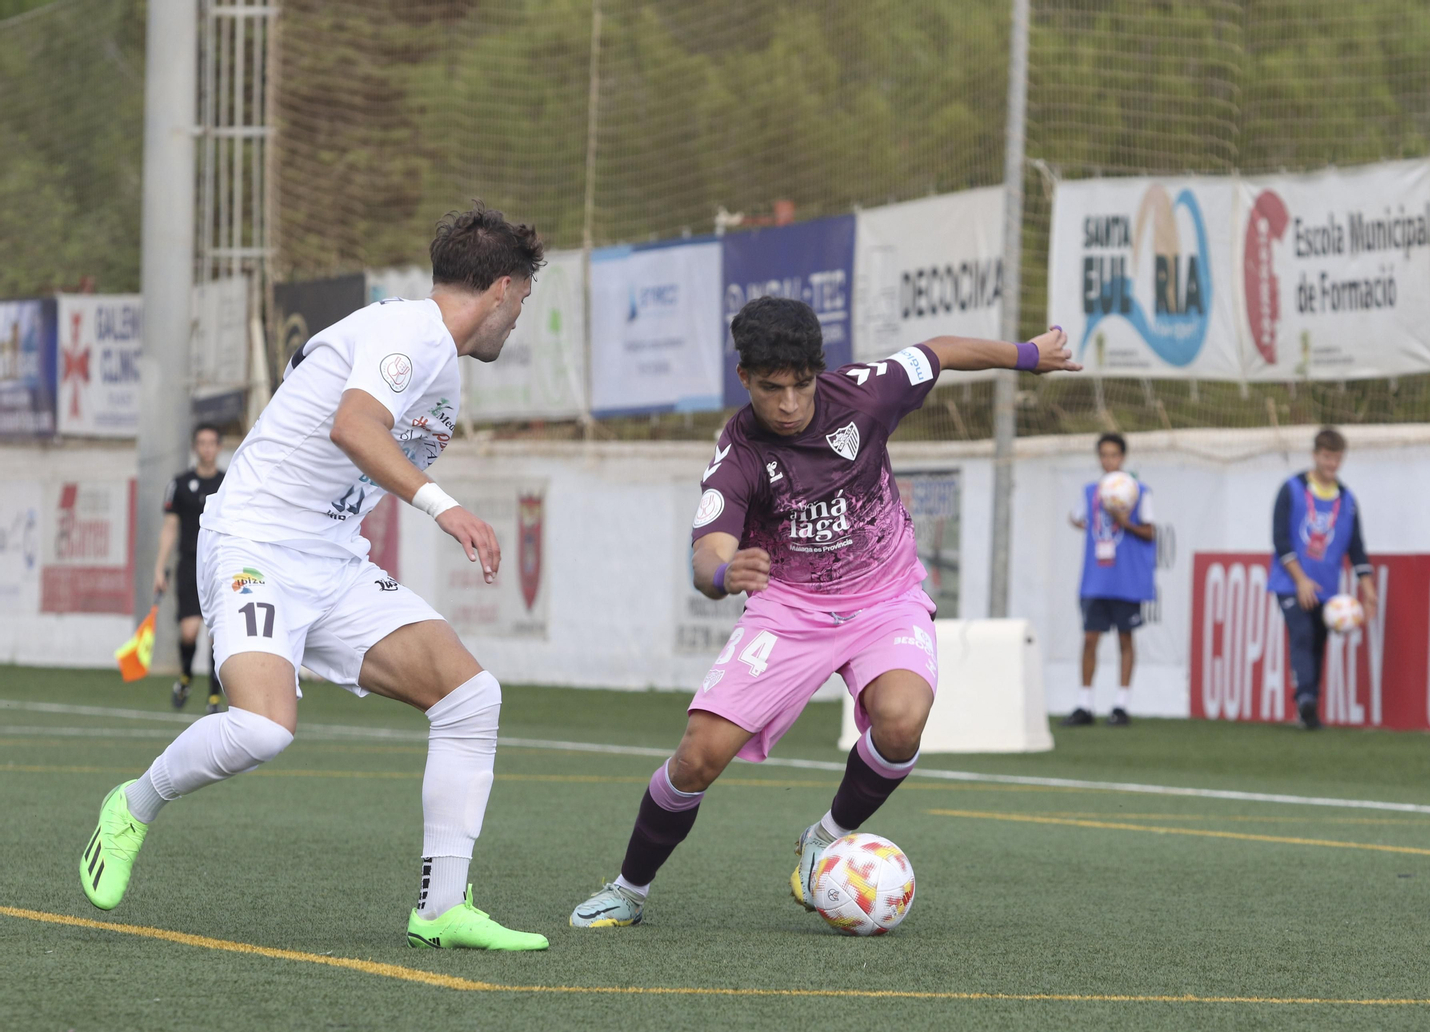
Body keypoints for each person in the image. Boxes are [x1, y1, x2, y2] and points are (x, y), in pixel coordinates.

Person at [77, 203, 550, 951]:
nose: (519, 314)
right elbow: (353, 427)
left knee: (469, 698)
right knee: (262, 729)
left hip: (330, 560)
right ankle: (133, 805)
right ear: (501, 288)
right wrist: (445, 507)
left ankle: (441, 908)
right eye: (523, 295)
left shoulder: (434, 363)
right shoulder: (412, 333)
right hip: (255, 543)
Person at [569, 296, 1080, 928]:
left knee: (902, 723)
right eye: (770, 388)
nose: (788, 404)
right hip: (790, 610)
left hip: (887, 599)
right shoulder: (739, 455)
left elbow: (941, 351)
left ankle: (825, 836)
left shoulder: (867, 393)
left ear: (820, 370)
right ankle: (629, 890)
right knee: (699, 755)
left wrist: (1028, 355)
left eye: (802, 385)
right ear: (744, 378)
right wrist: (725, 574)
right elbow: (707, 555)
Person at [1267, 427, 1377, 730]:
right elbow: (1280, 539)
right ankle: (1305, 699)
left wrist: (1368, 590)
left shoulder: (1347, 499)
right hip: (1291, 583)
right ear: (1315, 455)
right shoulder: (1291, 489)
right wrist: (1301, 580)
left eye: (1337, 458)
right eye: (1327, 457)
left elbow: (1356, 547)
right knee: (1302, 634)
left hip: (1326, 586)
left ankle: (1309, 708)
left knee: (1318, 641)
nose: (1332, 464)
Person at [1059, 432, 1154, 727]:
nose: (1109, 460)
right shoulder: (1091, 491)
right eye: (1104, 455)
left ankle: (1121, 705)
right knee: (1090, 638)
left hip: (1126, 579)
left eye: (1114, 455)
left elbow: (1150, 531)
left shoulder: (1139, 491)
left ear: (1122, 457)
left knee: (1125, 637)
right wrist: (1093, 524)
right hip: (1096, 578)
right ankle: (1084, 704)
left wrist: (1126, 523)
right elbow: (1076, 517)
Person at [154, 423, 227, 711]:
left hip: (219, 566)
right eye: (202, 443)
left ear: (219, 447)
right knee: (189, 632)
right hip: (188, 565)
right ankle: (185, 678)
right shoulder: (180, 484)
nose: (207, 448)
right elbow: (170, 527)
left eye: (212, 443)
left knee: (217, 636)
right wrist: (159, 567)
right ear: (195, 447)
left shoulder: (229, 482)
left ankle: (214, 697)